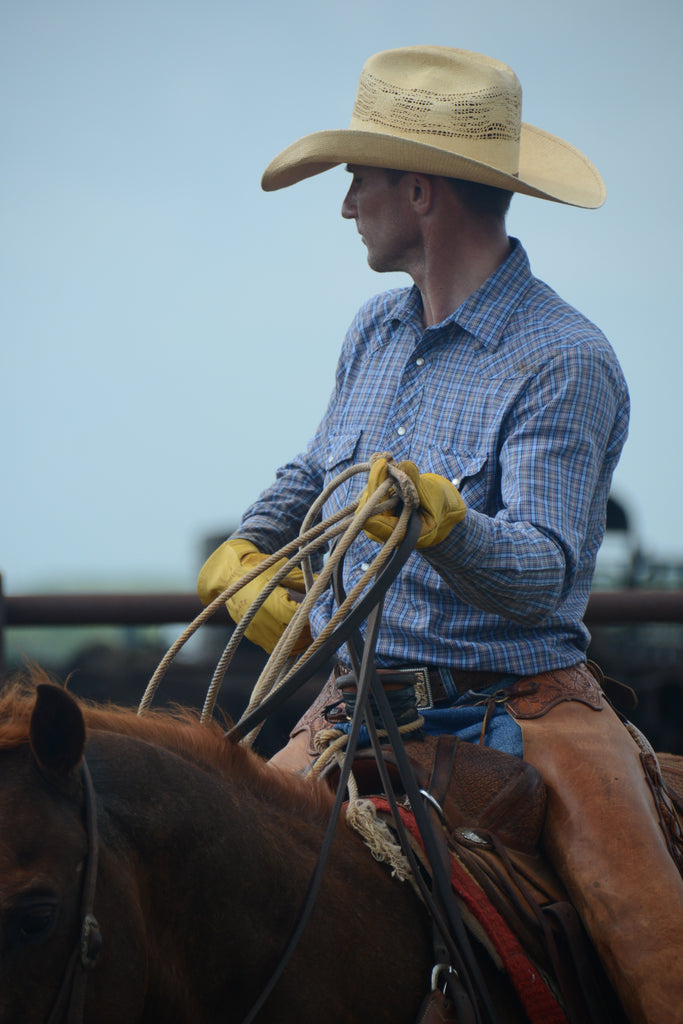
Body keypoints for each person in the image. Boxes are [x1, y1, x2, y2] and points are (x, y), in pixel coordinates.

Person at [198, 46, 683, 1024]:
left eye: (358, 181)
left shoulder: (561, 359)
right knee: (207, 875)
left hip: (528, 710)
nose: (345, 206)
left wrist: (441, 522)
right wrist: (245, 551)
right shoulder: (372, 331)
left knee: (653, 955)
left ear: (417, 192)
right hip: (354, 706)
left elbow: (542, 577)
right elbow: (316, 466)